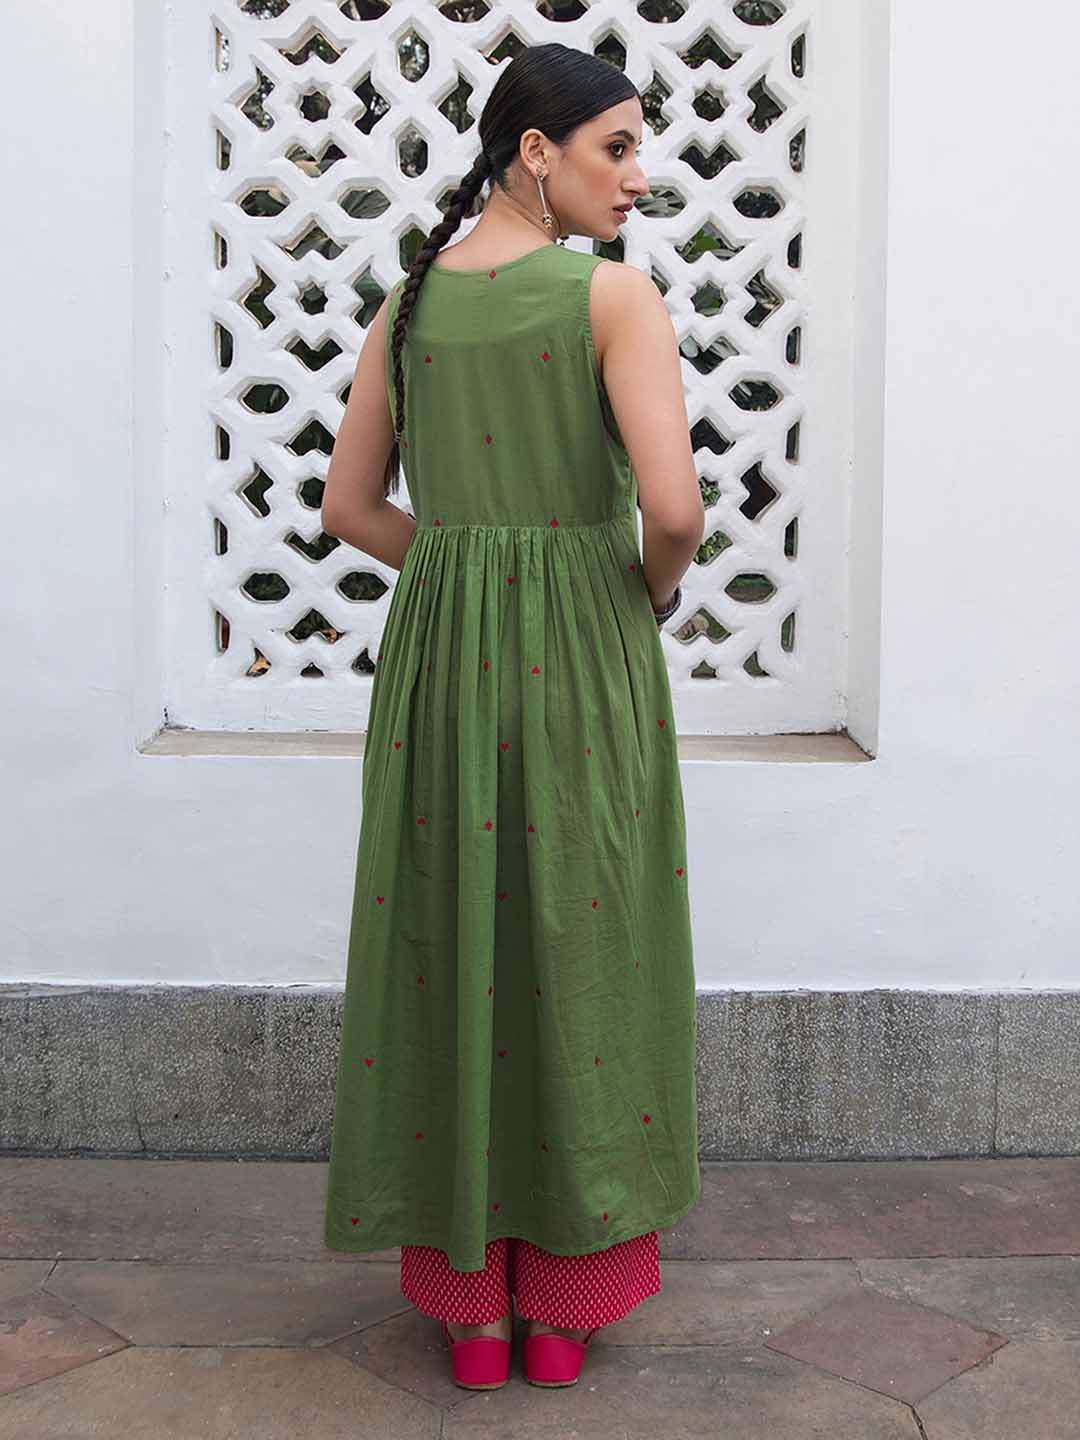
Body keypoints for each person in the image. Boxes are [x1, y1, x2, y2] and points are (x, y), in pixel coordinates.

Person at [320, 41, 704, 1389]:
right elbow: (673, 511)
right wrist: (629, 593)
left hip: (443, 663)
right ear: (536, 151)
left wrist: (463, 565)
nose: (637, 177)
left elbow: (349, 509)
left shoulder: (409, 303)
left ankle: (472, 1315)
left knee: (451, 947)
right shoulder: (613, 297)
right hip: (585, 653)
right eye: (617, 147)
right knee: (586, 944)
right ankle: (563, 1313)